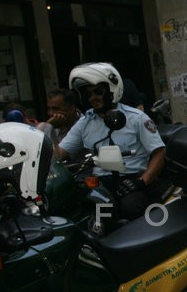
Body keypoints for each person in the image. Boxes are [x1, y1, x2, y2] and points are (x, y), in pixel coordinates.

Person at [55, 62, 166, 221]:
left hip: (132, 181)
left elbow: (159, 153)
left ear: (112, 89)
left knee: (131, 209)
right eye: (88, 94)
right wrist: (50, 130)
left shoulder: (136, 118)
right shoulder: (85, 122)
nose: (93, 97)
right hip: (102, 185)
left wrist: (142, 182)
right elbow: (59, 154)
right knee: (96, 218)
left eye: (98, 92)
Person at [36, 87, 82, 152]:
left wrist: (48, 126)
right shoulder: (55, 123)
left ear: (71, 109)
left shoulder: (83, 125)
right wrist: (48, 126)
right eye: (48, 109)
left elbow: (58, 155)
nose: (50, 113)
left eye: (56, 109)